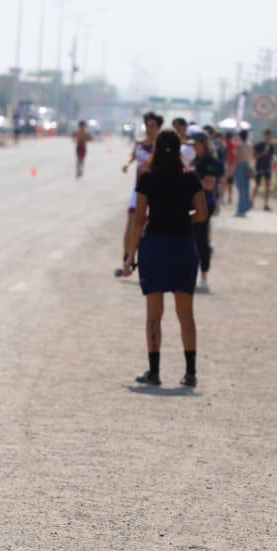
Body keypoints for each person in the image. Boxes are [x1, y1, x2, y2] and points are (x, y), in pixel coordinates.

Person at [123, 128, 207, 387]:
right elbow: (202, 214)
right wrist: (182, 216)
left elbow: (138, 219)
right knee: (185, 314)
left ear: (156, 149)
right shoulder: (190, 178)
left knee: (154, 313)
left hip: (155, 247)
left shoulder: (148, 178)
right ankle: (190, 373)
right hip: (182, 247)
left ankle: (154, 372)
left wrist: (130, 256)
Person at [115, 111, 160, 276]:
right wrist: (126, 164)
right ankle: (127, 258)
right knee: (131, 222)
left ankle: (151, 261)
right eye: (148, 125)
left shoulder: (162, 146)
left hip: (156, 192)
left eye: (153, 126)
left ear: (158, 127)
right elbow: (131, 157)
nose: (149, 129)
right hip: (138, 189)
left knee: (151, 224)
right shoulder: (139, 143)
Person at [191, 130, 221, 292]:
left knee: (201, 240)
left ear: (202, 143)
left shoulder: (210, 162)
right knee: (189, 240)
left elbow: (209, 185)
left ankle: (204, 277)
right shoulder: (194, 161)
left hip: (204, 205)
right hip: (190, 204)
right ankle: (190, 274)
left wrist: (190, 179)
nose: (193, 147)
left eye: (195, 143)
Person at [253, 129, 275, 211]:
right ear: (264, 136)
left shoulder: (272, 146)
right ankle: (251, 202)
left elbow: (272, 158)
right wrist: (262, 153)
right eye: (266, 135)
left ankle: (266, 204)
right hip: (259, 167)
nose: (268, 137)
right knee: (257, 185)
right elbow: (254, 156)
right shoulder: (259, 145)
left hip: (267, 168)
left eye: (269, 136)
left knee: (267, 187)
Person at [233, 129, 253, 216]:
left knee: (241, 189)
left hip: (240, 166)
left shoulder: (239, 146)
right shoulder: (249, 145)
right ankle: (245, 207)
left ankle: (241, 210)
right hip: (247, 165)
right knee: (245, 188)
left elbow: (236, 157)